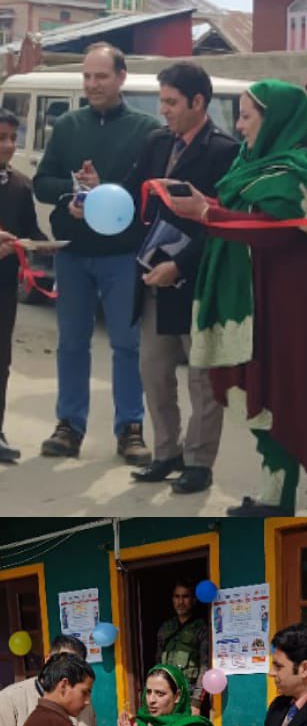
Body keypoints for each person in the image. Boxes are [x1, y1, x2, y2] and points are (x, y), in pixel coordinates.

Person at [169, 81, 307, 517]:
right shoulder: (250, 162)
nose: (238, 126)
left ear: (276, 118)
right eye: (238, 115)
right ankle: (273, 495)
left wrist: (207, 213)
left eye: (246, 116)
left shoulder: (301, 170)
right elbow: (244, 217)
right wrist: (206, 204)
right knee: (264, 395)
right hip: (263, 301)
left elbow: (276, 231)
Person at [33, 43, 159, 464]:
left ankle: (131, 430)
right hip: (72, 253)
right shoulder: (67, 126)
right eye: (87, 77)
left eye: (101, 76)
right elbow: (42, 182)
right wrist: (71, 194)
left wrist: (109, 192)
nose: (92, 84)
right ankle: (69, 425)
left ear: (121, 78)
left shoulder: (146, 130)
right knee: (72, 342)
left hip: (123, 257)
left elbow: (152, 192)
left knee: (126, 344)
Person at [125, 63, 239, 495]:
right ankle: (166, 452)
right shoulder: (156, 143)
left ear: (198, 102)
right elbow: (136, 196)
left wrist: (183, 264)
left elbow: (222, 225)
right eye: (162, 101)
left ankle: (198, 461)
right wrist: (99, 191)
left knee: (203, 379)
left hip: (200, 281)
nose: (163, 110)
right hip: (154, 277)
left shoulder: (224, 151)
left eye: (171, 102)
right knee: (153, 371)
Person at [0, 107, 46, 463]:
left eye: (13, 138)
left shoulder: (20, 184)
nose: (8, 146)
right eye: (1, 138)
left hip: (4, 288)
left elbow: (31, 232)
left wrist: (51, 244)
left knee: (1, 359)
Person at [154, 576, 211, 718]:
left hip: (189, 696)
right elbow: (158, 665)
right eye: (177, 597)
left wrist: (196, 702)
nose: (180, 602)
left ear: (194, 600)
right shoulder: (166, 628)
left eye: (185, 597)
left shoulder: (201, 628)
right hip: (167, 696)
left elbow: (205, 667)